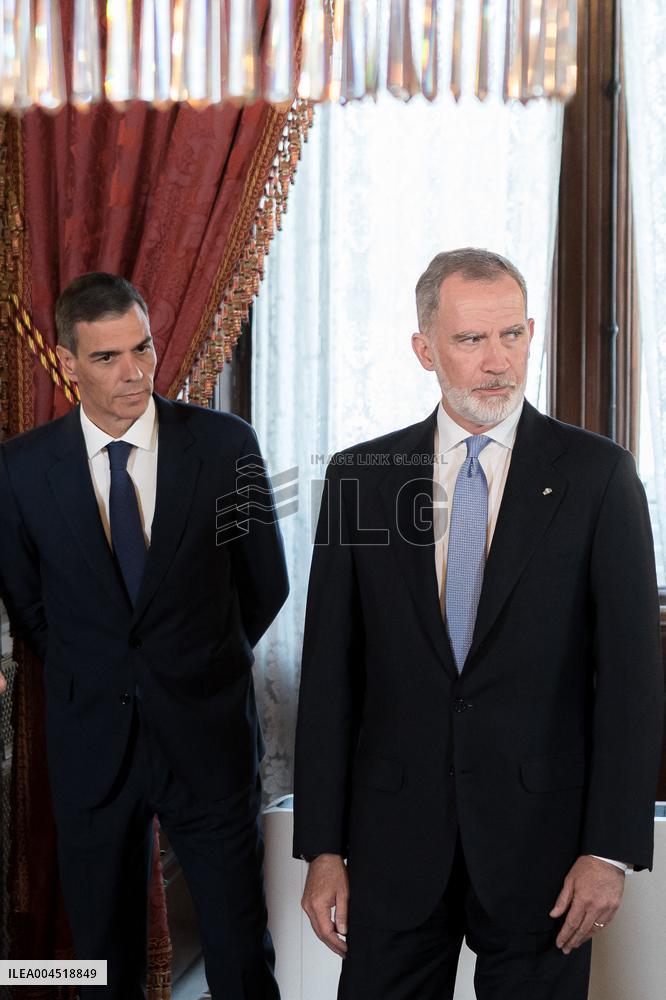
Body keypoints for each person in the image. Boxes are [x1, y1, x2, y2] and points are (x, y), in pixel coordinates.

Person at [293, 248, 663, 1000]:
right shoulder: (361, 479)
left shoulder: (599, 475)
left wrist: (610, 852)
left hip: (546, 854)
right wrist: (322, 850)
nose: (498, 362)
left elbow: (630, 682)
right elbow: (331, 675)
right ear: (425, 348)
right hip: (392, 849)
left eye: (513, 336)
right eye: (470, 341)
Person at [0, 273, 288, 1000]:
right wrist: (101, 671)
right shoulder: (20, 472)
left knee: (239, 952)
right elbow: (32, 608)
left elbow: (265, 584)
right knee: (103, 961)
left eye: (143, 348)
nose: (133, 372)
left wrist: (194, 662)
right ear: (67, 362)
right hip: (92, 743)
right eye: (107, 358)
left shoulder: (226, 448)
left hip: (208, 736)